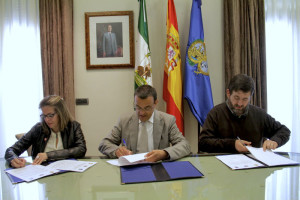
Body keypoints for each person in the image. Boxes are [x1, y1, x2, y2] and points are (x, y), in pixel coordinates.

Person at [198, 74, 290, 153]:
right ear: (228, 93)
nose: (240, 103)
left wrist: (275, 141)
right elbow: (203, 143)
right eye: (236, 98)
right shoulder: (216, 113)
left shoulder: (259, 114)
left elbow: (284, 131)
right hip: (223, 166)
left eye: (245, 99)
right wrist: (233, 144)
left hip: (254, 166)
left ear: (251, 97)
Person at [99, 85, 191, 162]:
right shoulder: (124, 121)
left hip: (158, 167)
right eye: (138, 107)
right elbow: (104, 144)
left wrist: (164, 153)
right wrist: (116, 151)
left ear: (155, 103)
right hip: (132, 169)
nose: (141, 113)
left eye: (147, 108)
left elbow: (184, 145)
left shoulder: (168, 120)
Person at [5, 95, 87, 168]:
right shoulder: (38, 128)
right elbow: (11, 150)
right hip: (42, 173)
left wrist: (48, 155)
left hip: (69, 174)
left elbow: (81, 149)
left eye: (50, 115)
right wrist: (13, 159)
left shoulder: (73, 126)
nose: (47, 120)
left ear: (61, 113)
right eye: (44, 116)